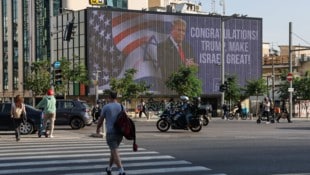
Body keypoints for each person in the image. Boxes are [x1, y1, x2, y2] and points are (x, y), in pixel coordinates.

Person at [157, 18, 197, 85]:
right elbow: (166, 68)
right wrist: (185, 66)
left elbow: (196, 67)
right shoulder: (162, 46)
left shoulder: (188, 47)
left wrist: (194, 66)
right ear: (172, 30)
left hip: (187, 86)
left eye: (183, 31)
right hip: (170, 87)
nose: (181, 33)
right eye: (179, 30)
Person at [96, 90, 126, 175]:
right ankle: (109, 168)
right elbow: (125, 119)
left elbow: (101, 120)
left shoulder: (106, 107)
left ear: (109, 97)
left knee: (115, 151)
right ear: (116, 97)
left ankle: (121, 170)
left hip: (111, 133)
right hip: (120, 133)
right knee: (113, 151)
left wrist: (98, 129)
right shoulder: (121, 106)